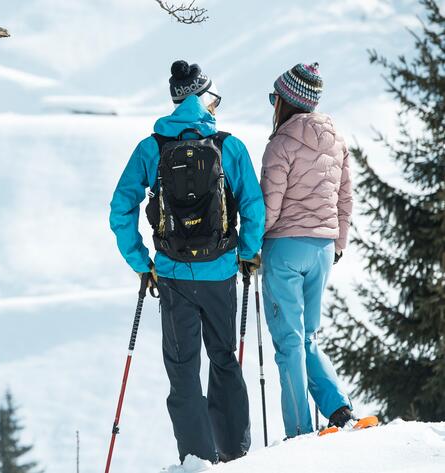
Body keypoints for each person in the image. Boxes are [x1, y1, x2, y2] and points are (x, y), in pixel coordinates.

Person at [109, 60, 265, 465]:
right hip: (220, 272)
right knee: (224, 358)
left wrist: (142, 262)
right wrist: (247, 252)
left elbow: (120, 208)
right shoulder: (229, 146)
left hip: (173, 274)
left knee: (182, 370)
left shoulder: (151, 147)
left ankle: (197, 459)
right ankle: (235, 452)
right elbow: (252, 204)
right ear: (203, 98)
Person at [260, 63, 354, 438]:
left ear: (285, 102)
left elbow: (270, 207)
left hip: (285, 248)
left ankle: (299, 431)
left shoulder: (281, 143)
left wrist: (249, 248)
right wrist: (339, 244)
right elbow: (345, 197)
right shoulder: (337, 140)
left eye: (274, 99)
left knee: (289, 342)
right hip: (324, 249)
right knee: (310, 336)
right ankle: (339, 409)